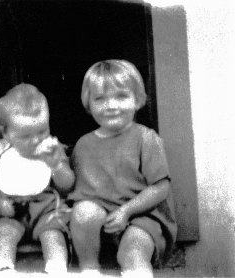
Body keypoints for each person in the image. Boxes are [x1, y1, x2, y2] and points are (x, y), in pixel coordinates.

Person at [68, 60, 177, 278]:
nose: (111, 105)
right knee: (83, 212)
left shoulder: (146, 138)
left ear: (137, 99)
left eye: (121, 96)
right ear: (88, 103)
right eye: (100, 98)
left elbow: (161, 187)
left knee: (133, 252)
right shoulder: (83, 145)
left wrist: (126, 211)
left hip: (142, 218)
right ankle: (90, 270)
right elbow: (76, 193)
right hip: (102, 225)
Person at [0, 84, 75, 275]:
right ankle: (4, 268)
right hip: (12, 213)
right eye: (25, 136)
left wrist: (57, 165)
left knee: (53, 236)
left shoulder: (52, 150)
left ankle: (57, 267)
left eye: (42, 131)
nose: (36, 140)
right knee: (4, 234)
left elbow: (67, 187)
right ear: (5, 133)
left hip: (47, 212)